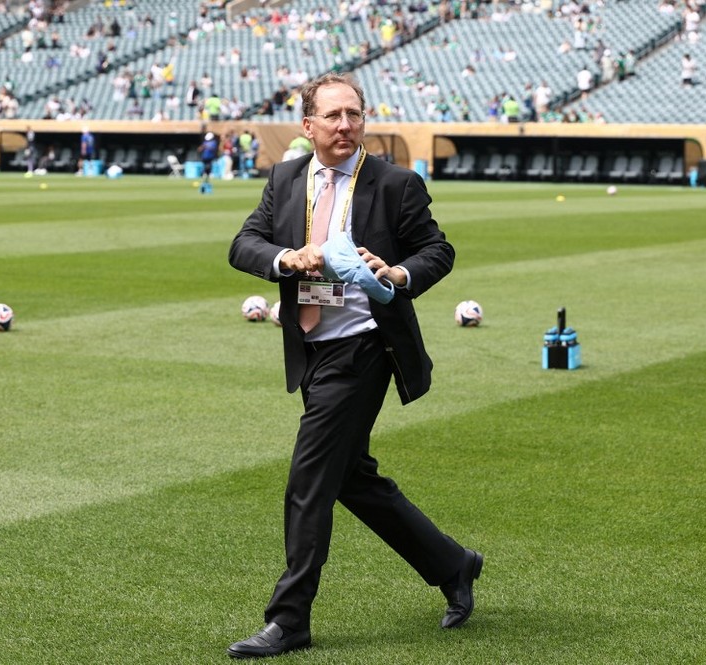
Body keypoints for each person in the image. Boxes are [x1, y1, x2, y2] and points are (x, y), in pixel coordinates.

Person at [227, 72, 482, 660]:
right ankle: (453, 563)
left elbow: (436, 251)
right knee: (350, 479)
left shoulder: (395, 183)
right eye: (334, 116)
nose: (346, 126)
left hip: (365, 348)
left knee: (309, 480)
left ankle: (288, 620)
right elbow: (244, 244)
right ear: (308, 125)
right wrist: (286, 259)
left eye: (355, 114)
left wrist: (396, 274)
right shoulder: (288, 177)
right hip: (312, 347)